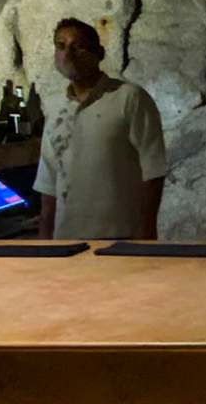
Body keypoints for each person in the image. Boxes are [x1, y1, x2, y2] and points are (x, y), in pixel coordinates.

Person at [35, 17, 166, 240]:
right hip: (66, 240)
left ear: (100, 53)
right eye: (61, 45)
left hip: (121, 238)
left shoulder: (129, 98)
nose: (68, 53)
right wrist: (44, 239)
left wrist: (146, 231)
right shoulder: (55, 107)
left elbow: (154, 169)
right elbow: (49, 181)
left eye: (79, 46)